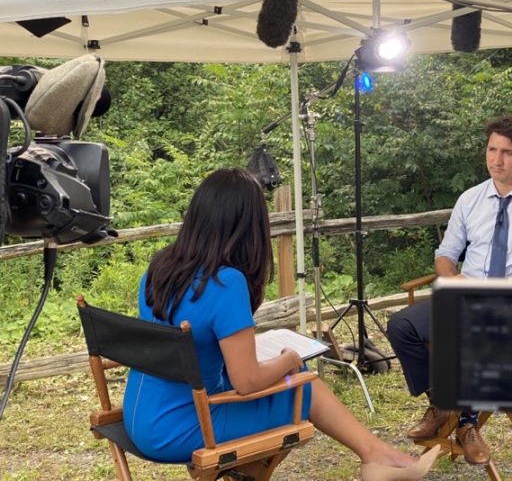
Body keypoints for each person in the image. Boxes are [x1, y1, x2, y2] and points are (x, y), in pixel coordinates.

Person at [122, 168, 439, 481]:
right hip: (183, 425)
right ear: (250, 227)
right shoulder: (226, 282)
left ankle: (374, 455)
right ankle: (376, 457)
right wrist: (289, 359)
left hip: (139, 416)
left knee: (293, 380)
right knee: (301, 383)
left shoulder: (160, 266)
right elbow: (245, 382)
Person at [387, 115, 512, 465]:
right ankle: (444, 404)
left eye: (507, 153)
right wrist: (450, 277)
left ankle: (467, 422)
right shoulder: (470, 199)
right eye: (491, 149)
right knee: (402, 326)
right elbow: (445, 254)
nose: (496, 160)